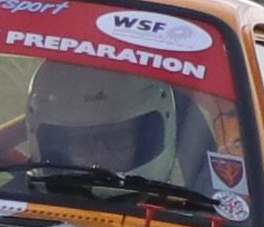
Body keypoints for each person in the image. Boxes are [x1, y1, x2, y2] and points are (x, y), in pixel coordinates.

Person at [23, 60, 181, 180]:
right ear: (59, 149)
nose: (101, 155)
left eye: (117, 138)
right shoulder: (19, 218)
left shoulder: (188, 219)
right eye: (82, 141)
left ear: (144, 141)